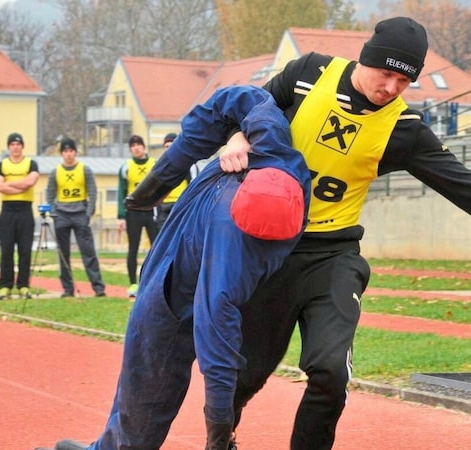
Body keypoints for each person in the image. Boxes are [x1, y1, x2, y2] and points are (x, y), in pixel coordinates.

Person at [220, 16, 471, 449]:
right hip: (268, 253)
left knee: (330, 373)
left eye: (405, 80)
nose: (393, 88)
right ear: (366, 58)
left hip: (333, 256)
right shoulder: (307, 74)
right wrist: (235, 139)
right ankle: (220, 438)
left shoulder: (404, 129)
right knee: (241, 375)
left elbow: (466, 187)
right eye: (386, 74)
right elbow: (246, 109)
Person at [44, 86, 311, 450]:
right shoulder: (233, 231)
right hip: (176, 267)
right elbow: (229, 102)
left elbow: (217, 328)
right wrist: (166, 173)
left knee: (163, 367)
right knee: (143, 371)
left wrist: (217, 429)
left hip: (195, 263)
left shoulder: (275, 147)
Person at [45, 137, 106, 298]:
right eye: (65, 151)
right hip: (62, 215)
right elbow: (50, 194)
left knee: (88, 252)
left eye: (71, 151)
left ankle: (98, 288)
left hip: (80, 213)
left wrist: (88, 213)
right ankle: (67, 289)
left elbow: (92, 192)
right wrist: (54, 213)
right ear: (62, 154)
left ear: (75, 152)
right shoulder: (55, 172)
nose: (68, 154)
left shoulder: (84, 170)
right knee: (63, 254)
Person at [0, 132, 39, 300]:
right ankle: (5, 286)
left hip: (25, 211)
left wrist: (8, 183)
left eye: (18, 144)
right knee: (6, 250)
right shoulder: (2, 165)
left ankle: (23, 285)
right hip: (7, 211)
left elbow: (30, 182)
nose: (15, 147)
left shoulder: (30, 164)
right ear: (8, 147)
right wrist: (19, 185)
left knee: (25, 251)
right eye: (12, 144)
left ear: (22, 146)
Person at [117, 134, 158, 297]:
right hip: (133, 213)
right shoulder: (125, 167)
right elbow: (121, 192)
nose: (136, 148)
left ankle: (154, 282)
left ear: (144, 147)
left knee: (156, 248)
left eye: (138, 145)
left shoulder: (154, 164)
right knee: (132, 249)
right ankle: (133, 284)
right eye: (132, 146)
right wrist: (121, 216)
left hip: (152, 211)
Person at [155, 132, 200, 229]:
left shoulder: (190, 165)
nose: (169, 149)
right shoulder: (159, 166)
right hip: (163, 208)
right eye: (166, 146)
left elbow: (194, 189)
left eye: (172, 146)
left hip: (180, 207)